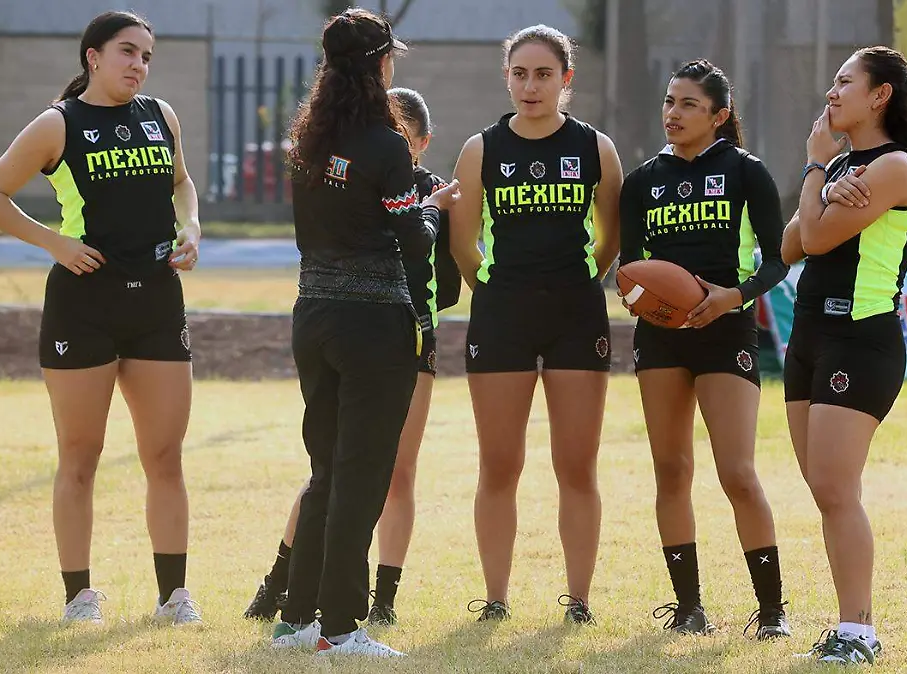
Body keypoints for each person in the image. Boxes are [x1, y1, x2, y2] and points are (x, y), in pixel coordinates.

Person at [0, 11, 203, 625]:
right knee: (80, 454)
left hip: (156, 303)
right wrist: (56, 243)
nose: (138, 65)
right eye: (127, 52)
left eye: (147, 56)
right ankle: (79, 597)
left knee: (165, 455)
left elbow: (183, 184)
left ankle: (174, 596)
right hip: (84, 307)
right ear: (92, 58)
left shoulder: (161, 116)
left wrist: (193, 227)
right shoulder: (58, 124)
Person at [265, 9, 460, 658]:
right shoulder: (386, 145)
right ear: (381, 64)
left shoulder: (306, 143)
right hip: (375, 325)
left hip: (312, 316)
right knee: (363, 473)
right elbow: (414, 243)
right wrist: (431, 216)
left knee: (325, 470)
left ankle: (296, 623)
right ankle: (343, 628)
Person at [781, 46, 907, 665]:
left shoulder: (896, 167)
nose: (831, 94)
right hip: (807, 337)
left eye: (844, 83)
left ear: (879, 95)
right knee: (823, 487)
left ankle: (858, 631)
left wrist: (812, 168)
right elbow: (792, 243)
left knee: (834, 485)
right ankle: (850, 624)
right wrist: (824, 181)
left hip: (860, 339)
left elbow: (819, 233)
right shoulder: (841, 165)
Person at [449, 24, 623, 625]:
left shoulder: (596, 148)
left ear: (565, 79)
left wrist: (579, 281)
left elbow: (610, 236)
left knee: (576, 464)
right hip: (502, 317)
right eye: (520, 73)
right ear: (507, 78)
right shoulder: (480, 149)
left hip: (577, 314)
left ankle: (578, 601)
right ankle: (495, 599)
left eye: (543, 74)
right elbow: (463, 244)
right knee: (500, 464)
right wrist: (498, 293)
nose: (530, 85)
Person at [618, 59, 791, 639]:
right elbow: (633, 269)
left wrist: (731, 297)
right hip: (661, 338)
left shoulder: (747, 173)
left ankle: (772, 612)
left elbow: (778, 259)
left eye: (688, 104)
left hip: (726, 330)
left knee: (737, 472)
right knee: (671, 470)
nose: (674, 113)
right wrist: (639, 298)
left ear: (719, 115)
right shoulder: (642, 181)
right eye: (670, 102)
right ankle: (688, 607)